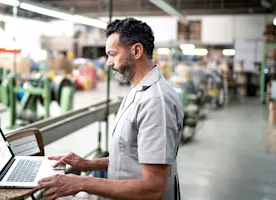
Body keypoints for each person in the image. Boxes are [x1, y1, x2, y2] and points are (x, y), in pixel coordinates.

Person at [36, 18, 184, 200]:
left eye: (112, 54)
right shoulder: (137, 89)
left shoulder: (156, 102)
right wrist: (90, 164)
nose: (108, 63)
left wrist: (83, 183)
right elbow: (131, 157)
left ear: (136, 51)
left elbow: (153, 188)